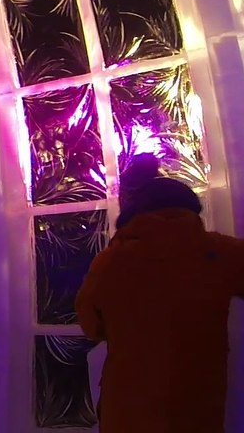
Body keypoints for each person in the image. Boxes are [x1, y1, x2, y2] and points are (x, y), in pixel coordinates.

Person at [76, 154, 244, 432]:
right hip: (197, 404)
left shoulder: (110, 262)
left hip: (128, 407)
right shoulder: (220, 253)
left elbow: (91, 326)